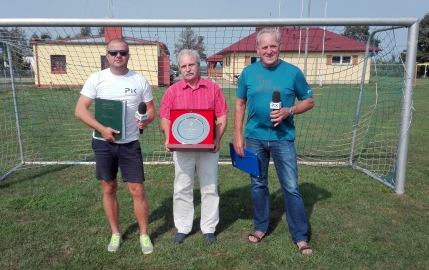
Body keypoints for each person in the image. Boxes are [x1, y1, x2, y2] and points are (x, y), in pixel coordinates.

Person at [233, 28, 315, 255]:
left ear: (279, 47)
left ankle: (300, 236)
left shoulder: (293, 72)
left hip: (282, 139)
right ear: (257, 49)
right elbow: (240, 104)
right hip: (254, 138)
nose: (269, 50)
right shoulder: (248, 73)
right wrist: (238, 135)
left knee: (290, 186)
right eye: (264, 47)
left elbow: (309, 101)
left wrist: (290, 110)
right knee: (258, 185)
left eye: (273, 46)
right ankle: (260, 227)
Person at [74, 38, 156, 255]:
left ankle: (144, 234)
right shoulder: (97, 79)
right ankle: (115, 232)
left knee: (137, 189)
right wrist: (101, 129)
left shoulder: (139, 80)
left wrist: (146, 120)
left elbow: (150, 109)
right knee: (108, 187)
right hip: (103, 143)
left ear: (128, 55)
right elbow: (80, 110)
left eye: (122, 52)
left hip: (130, 144)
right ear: (107, 55)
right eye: (114, 52)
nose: (118, 55)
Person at [159, 49, 229, 245]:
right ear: (179, 68)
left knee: (209, 188)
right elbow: (165, 118)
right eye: (183, 66)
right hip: (182, 150)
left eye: (191, 65)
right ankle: (183, 227)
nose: (188, 69)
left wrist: (217, 139)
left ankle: (208, 228)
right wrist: (167, 137)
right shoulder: (171, 91)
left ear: (199, 66)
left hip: (207, 149)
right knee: (182, 188)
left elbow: (222, 116)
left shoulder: (213, 88)